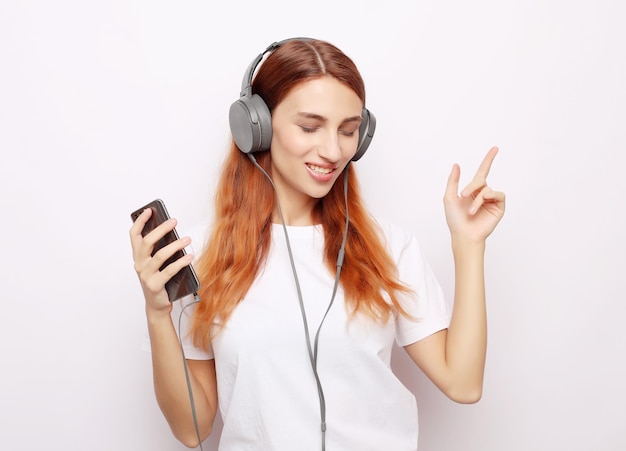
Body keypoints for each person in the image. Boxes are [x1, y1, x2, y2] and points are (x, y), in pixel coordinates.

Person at [129, 37, 505, 451]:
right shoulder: (200, 253)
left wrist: (468, 246)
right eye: (309, 127)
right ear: (257, 125)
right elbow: (192, 429)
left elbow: (463, 383)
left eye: (348, 131)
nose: (332, 151)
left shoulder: (388, 247)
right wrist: (157, 314)